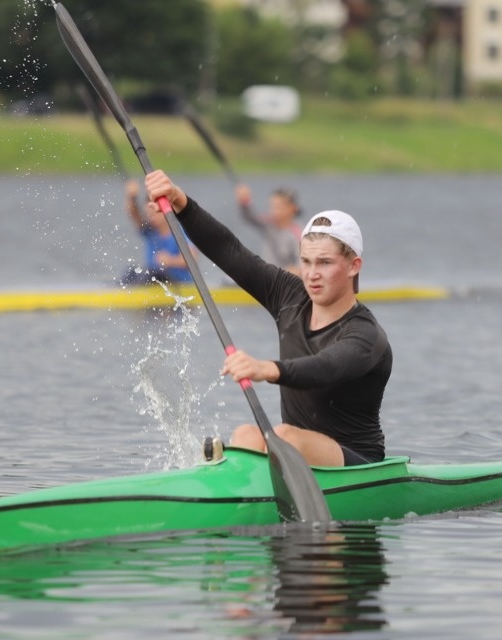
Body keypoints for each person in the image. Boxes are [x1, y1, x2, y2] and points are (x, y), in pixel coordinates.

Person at [143, 170, 392, 467]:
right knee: (246, 434)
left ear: (354, 266)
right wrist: (181, 203)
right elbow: (230, 251)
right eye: (307, 261)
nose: (312, 274)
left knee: (285, 435)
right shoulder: (289, 296)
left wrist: (265, 368)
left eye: (325, 263)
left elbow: (326, 367)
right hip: (296, 454)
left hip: (358, 462)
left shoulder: (366, 334)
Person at [119, 179, 194, 286]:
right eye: (148, 214)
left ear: (166, 211)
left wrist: (170, 261)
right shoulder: (150, 231)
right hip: (153, 279)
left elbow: (192, 260)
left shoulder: (179, 232)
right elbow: (133, 214)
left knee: (155, 274)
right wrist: (131, 197)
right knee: (130, 272)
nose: (151, 218)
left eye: (154, 214)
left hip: (178, 282)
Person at [235, 183, 302, 273]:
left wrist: (297, 270)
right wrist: (244, 201)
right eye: (273, 206)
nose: (275, 211)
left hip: (286, 279)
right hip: (267, 276)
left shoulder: (298, 234)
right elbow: (250, 217)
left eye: (279, 207)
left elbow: (303, 261)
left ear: (293, 208)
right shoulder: (269, 224)